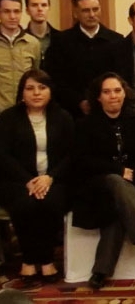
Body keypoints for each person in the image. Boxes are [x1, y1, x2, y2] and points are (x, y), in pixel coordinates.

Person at [71, 72, 135, 290]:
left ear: (125, 93)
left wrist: (131, 174)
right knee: (115, 181)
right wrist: (118, 171)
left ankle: (100, 272)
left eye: (117, 90)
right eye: (107, 92)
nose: (113, 96)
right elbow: (82, 161)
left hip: (130, 188)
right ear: (98, 97)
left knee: (116, 209)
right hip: (95, 186)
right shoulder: (85, 124)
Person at [0, 70, 73, 289]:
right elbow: (3, 155)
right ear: (22, 93)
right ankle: (29, 261)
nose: (36, 93)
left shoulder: (63, 117)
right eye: (30, 88)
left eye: (42, 88)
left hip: (54, 179)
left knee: (50, 203)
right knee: (26, 205)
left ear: (50, 91)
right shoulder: (8, 118)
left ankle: (47, 259)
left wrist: (49, 178)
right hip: (17, 180)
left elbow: (71, 154)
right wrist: (28, 180)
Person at [44, 0, 122, 117]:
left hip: (107, 110)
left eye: (95, 9)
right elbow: (55, 79)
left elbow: (120, 78)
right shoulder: (61, 41)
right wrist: (78, 101)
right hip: (71, 111)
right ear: (76, 13)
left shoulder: (116, 40)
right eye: (86, 10)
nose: (92, 15)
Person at [0, 0, 41, 113]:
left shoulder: (33, 43)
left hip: (24, 111)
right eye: (7, 11)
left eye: (16, 11)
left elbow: (36, 77)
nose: (12, 16)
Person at [24, 0, 60, 68]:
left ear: (49, 8)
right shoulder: (21, 39)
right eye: (34, 5)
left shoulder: (61, 38)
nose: (40, 9)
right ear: (27, 10)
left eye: (44, 5)